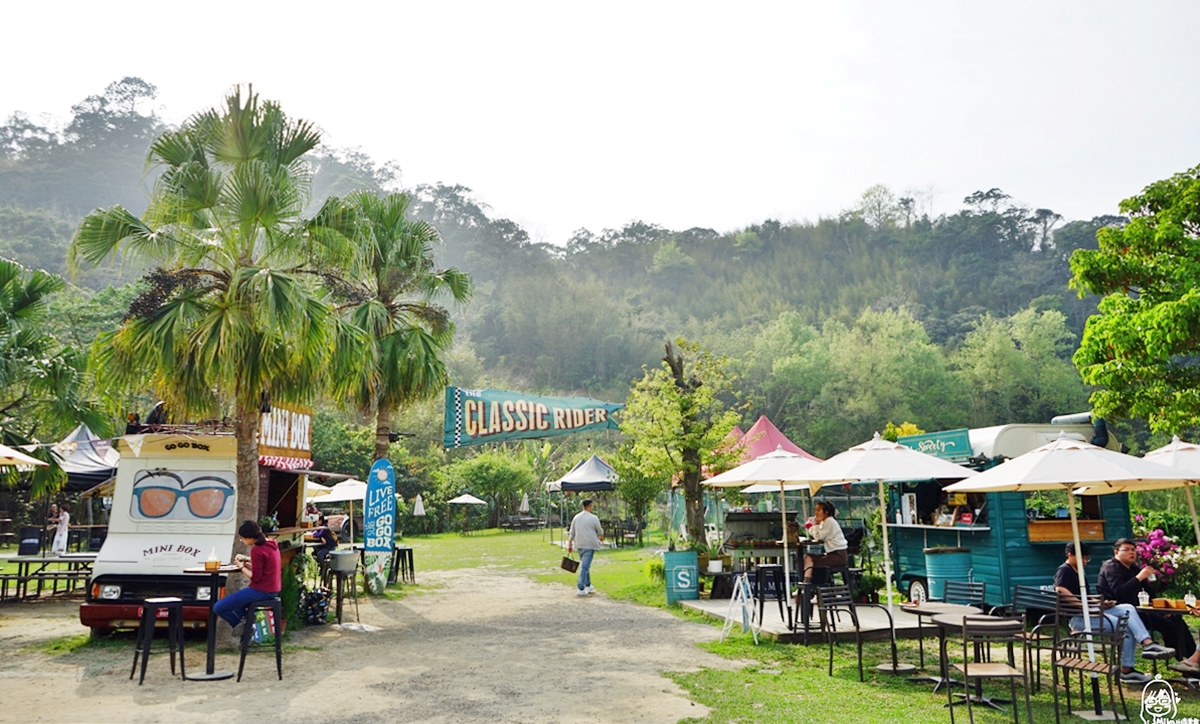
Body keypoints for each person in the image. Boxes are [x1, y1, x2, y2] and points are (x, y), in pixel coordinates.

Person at [1053, 542, 1172, 684]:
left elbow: (1085, 595)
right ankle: (1126, 671)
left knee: (1127, 608)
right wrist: (1082, 605)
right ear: (1070, 555)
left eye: (1086, 559)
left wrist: (1100, 603)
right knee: (1125, 625)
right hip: (1079, 618)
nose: (1084, 562)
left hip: (1091, 612)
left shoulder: (1079, 572)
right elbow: (1061, 590)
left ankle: (1148, 643)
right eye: (1081, 558)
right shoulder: (1064, 570)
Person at [1097, 538, 1197, 666]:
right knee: (1167, 625)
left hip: (1142, 609)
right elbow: (1120, 593)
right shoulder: (1111, 568)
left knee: (1176, 618)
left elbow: (1149, 592)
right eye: (1126, 549)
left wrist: (1161, 609)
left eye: (1133, 550)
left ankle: (1192, 657)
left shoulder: (1134, 568)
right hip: (1123, 612)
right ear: (1116, 552)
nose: (1131, 553)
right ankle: (1181, 659)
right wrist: (1139, 578)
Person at [213, 520, 282, 631]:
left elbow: (256, 578)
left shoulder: (257, 550)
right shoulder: (271, 545)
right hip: (273, 588)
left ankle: (246, 629)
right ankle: (247, 620)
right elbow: (262, 569)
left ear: (248, 538)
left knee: (219, 607)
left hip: (262, 590)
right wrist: (246, 564)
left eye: (242, 538)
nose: (242, 541)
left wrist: (241, 567)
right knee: (237, 603)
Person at [802, 501, 848, 583]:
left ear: (826, 512)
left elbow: (819, 536)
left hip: (838, 555)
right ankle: (806, 583)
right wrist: (815, 525)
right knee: (809, 557)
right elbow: (818, 534)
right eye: (815, 510)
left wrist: (812, 526)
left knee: (816, 565)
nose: (816, 513)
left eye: (819, 510)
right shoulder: (824, 522)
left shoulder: (829, 521)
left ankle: (817, 589)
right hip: (831, 554)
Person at [567, 499, 604, 597]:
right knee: (585, 567)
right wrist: (601, 536)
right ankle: (580, 587)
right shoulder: (594, 518)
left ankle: (588, 585)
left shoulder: (576, 518)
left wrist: (570, 544)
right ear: (589, 506)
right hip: (590, 544)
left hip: (579, 544)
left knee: (585, 565)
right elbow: (599, 530)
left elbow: (572, 532)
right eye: (592, 506)